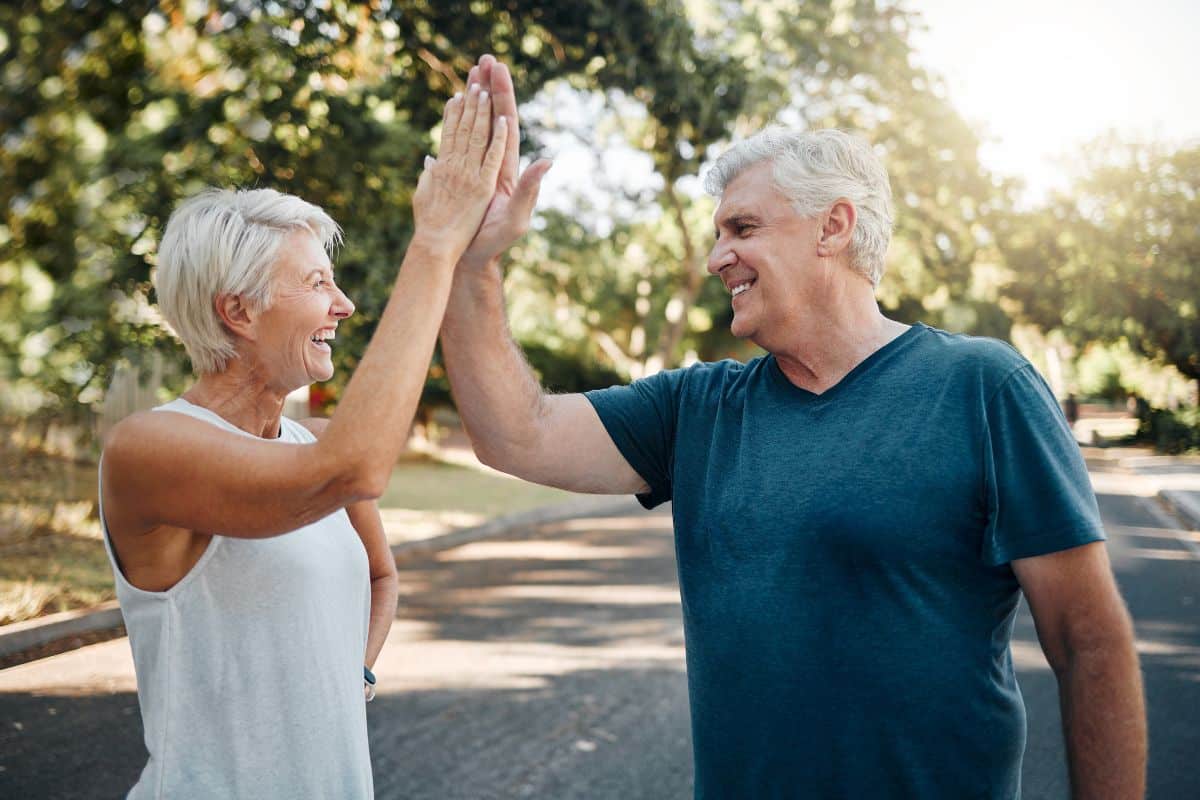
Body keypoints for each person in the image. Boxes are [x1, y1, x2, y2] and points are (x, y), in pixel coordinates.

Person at [441, 56, 1147, 798]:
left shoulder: (982, 387)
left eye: (742, 228)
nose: (716, 258)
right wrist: (472, 263)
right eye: (718, 233)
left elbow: (1089, 642)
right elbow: (515, 433)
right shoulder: (696, 408)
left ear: (833, 227)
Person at [100, 85, 507, 797]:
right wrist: (435, 242)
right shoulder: (148, 448)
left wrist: (354, 675)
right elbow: (354, 468)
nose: (343, 305)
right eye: (319, 283)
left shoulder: (309, 439)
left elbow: (380, 577)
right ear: (238, 311)